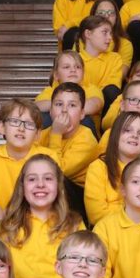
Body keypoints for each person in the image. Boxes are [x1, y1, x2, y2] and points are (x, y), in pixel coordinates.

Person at [0, 98, 57, 245]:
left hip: (38, 221)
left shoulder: (48, 157)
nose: (21, 129)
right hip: (2, 221)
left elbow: (54, 198)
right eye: (14, 121)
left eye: (28, 124)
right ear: (1, 127)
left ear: (37, 135)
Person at [0, 154, 84, 278]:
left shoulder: (74, 224)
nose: (40, 184)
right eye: (32, 179)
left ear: (58, 185)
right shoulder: (6, 228)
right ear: (22, 187)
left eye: (48, 178)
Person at [84, 111, 140, 225]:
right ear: (115, 135)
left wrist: (114, 208)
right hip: (107, 234)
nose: (135, 136)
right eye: (127, 130)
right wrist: (137, 211)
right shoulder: (97, 167)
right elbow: (96, 215)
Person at [39, 83, 99, 216]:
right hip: (47, 193)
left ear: (82, 113)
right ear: (50, 111)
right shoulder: (42, 135)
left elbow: (57, 170)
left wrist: (56, 134)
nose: (64, 110)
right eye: (59, 104)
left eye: (72, 105)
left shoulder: (87, 139)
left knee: (57, 180)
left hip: (76, 197)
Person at [35, 51, 103, 134]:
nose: (73, 70)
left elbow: (94, 105)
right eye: (67, 67)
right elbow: (36, 107)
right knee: (44, 117)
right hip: (55, 133)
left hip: (84, 138)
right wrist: (66, 106)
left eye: (78, 67)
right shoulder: (50, 91)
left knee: (84, 119)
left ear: (83, 73)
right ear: (56, 75)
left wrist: (59, 105)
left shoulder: (91, 89)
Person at [74, 15, 124, 116]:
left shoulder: (115, 58)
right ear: (88, 34)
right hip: (81, 112)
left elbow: (112, 89)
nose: (110, 38)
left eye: (110, 33)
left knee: (111, 90)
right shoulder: (73, 60)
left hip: (105, 113)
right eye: (104, 32)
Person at [89, 0, 133, 78]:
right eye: (101, 13)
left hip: (111, 86)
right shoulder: (83, 39)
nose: (106, 17)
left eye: (111, 13)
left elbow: (121, 75)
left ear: (117, 17)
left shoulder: (125, 44)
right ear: (93, 16)